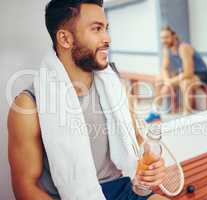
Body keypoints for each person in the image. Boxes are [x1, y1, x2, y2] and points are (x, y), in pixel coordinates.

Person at [7, 1, 168, 199]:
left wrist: (153, 165)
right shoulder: (28, 106)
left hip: (123, 189)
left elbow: (136, 139)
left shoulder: (115, 85)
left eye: (106, 28)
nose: (107, 38)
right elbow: (25, 186)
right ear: (65, 38)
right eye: (96, 29)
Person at [150, 26, 207, 116]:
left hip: (200, 74)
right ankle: (155, 113)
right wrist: (167, 81)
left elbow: (189, 72)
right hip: (183, 73)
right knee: (159, 79)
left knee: (185, 83)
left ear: (174, 36)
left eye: (166, 37)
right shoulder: (166, 49)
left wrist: (170, 82)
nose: (163, 40)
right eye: (162, 38)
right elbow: (164, 68)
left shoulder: (183, 47)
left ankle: (186, 116)